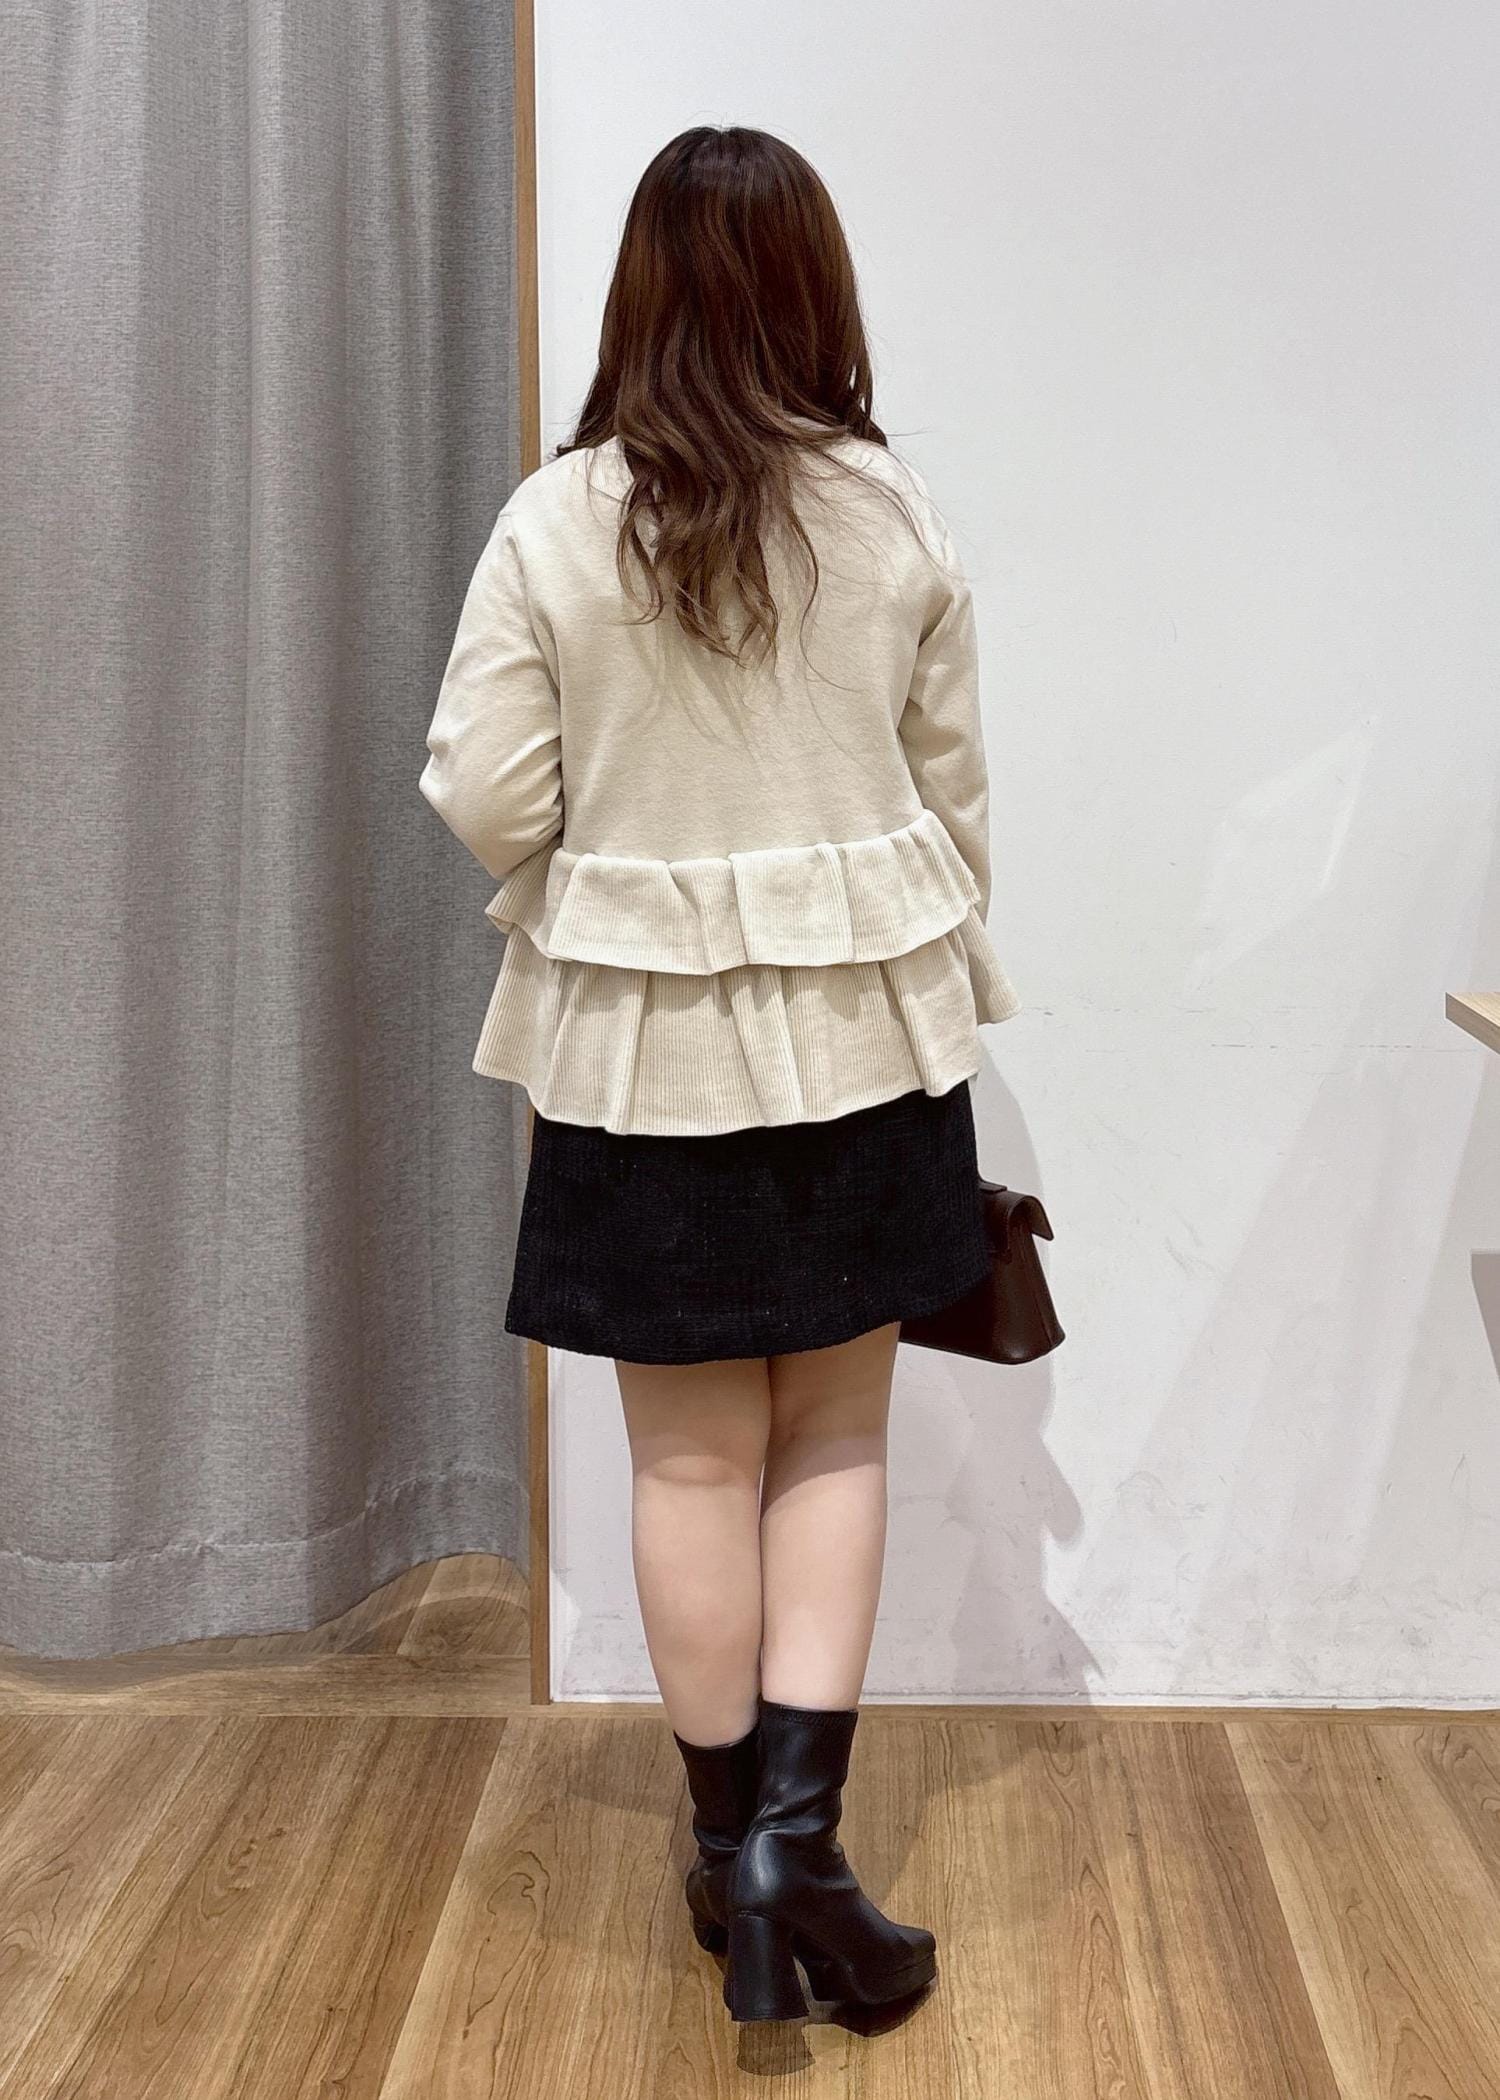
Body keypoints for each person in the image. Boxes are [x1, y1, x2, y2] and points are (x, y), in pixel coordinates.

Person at [419, 124, 1021, 2026]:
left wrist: (613, 867)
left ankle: (720, 1850)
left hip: (636, 1058)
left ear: (643, 296)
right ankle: (798, 1854)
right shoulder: (891, 515)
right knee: (835, 1434)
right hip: (864, 1038)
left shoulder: (556, 520)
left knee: (687, 1455)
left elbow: (486, 793)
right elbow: (955, 799)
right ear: (816, 289)